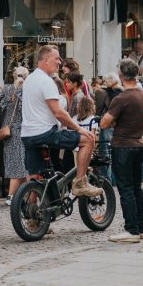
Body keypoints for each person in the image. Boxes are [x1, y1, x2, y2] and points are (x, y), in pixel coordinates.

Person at [20, 44, 99, 197]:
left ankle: (32, 215)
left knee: (36, 176)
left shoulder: (29, 79)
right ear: (46, 59)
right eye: (57, 58)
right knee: (88, 140)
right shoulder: (46, 81)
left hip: (27, 135)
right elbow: (58, 112)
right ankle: (80, 183)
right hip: (45, 133)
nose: (59, 62)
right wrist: (79, 129)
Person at [101, 59, 143, 243]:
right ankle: (141, 227)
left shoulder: (122, 98)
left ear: (121, 76)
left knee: (126, 189)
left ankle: (131, 230)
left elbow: (104, 122)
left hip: (122, 146)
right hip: (139, 144)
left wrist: (114, 121)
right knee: (137, 188)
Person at [1, 67, 28, 205]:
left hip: (23, 129)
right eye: (19, 75)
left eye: (23, 75)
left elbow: (26, 106)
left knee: (22, 162)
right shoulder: (7, 88)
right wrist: (15, 90)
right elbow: (2, 105)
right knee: (16, 162)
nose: (21, 77)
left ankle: (23, 194)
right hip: (12, 129)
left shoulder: (27, 89)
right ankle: (11, 196)